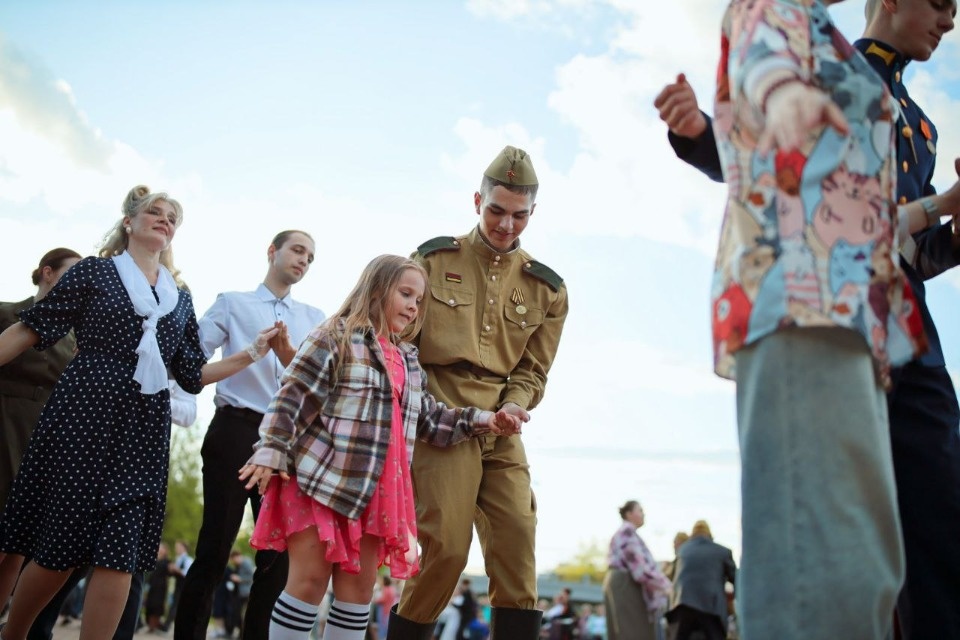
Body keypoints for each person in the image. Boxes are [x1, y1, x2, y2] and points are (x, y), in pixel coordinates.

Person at [653, 2, 960, 637]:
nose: (949, 20)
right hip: (815, 309)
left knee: (932, 516)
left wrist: (954, 230)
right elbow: (769, 148)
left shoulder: (922, 127)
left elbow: (904, 248)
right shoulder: (813, 50)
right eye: (939, 3)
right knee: (827, 522)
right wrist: (701, 132)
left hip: (902, 328)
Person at [0, 185, 279, 639]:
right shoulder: (95, 272)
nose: (165, 219)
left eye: (172, 217)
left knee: (120, 553)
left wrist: (251, 353)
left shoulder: (180, 299)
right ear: (128, 222)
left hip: (143, 428)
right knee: (60, 550)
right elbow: (32, 328)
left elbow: (191, 373)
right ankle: (14, 633)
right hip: (84, 413)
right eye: (155, 211)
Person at [238, 254, 523, 640]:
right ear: (376, 289)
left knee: (358, 592)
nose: (413, 306)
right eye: (405, 294)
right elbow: (294, 393)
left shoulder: (408, 360)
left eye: (419, 300)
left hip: (376, 493)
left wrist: (487, 420)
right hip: (320, 479)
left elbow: (431, 418)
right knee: (309, 581)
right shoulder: (335, 334)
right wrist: (271, 447)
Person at [389, 145, 569, 640]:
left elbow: (533, 370)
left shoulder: (548, 289)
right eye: (496, 210)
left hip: (504, 423)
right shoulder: (431, 260)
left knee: (518, 541)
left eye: (519, 215)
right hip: (441, 414)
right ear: (477, 201)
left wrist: (514, 405)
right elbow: (399, 342)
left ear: (532, 212)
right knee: (446, 550)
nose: (506, 225)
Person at [175, 229, 325, 640]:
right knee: (214, 548)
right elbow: (189, 364)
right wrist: (250, 354)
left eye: (310, 257)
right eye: (297, 250)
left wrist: (289, 355)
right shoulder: (232, 303)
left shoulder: (315, 319)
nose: (304, 260)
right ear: (272, 251)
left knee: (277, 558)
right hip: (234, 430)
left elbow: (321, 384)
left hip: (287, 441)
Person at [0, 248, 81, 610]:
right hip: (4, 423)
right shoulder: (6, 313)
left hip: (45, 435)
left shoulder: (75, 335)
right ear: (48, 272)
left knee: (18, 544)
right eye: (71, 272)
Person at [603, 501, 671, 640]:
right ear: (629, 514)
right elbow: (641, 570)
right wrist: (667, 586)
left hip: (618, 581)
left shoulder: (625, 533)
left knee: (622, 632)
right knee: (634, 631)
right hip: (626, 583)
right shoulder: (627, 532)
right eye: (640, 510)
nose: (643, 514)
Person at [664, 521, 735, 640]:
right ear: (709, 535)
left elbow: (671, 577)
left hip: (682, 605)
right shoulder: (722, 552)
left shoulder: (683, 551)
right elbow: (737, 581)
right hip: (711, 607)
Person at [165, 540, 194, 631]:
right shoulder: (178, 559)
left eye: (178, 547)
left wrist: (176, 570)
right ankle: (168, 625)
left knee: (177, 606)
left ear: (184, 548)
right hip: (177, 585)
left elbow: (187, 573)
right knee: (175, 605)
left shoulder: (188, 560)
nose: (176, 549)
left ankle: (167, 626)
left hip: (184, 586)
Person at [145, 543, 173, 632]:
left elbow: (171, 572)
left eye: (162, 548)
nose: (160, 549)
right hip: (152, 586)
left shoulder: (167, 561)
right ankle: (151, 625)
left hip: (160, 587)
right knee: (149, 605)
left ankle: (154, 626)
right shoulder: (154, 560)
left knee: (156, 605)